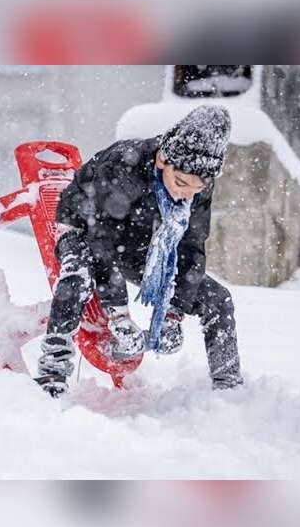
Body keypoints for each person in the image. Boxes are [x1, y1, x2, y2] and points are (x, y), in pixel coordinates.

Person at [33, 105, 242, 397]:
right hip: (85, 226)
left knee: (218, 299)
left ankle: (229, 388)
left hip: (141, 240)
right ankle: (52, 372)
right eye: (180, 182)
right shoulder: (124, 166)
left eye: (195, 189)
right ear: (162, 159)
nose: (185, 194)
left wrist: (174, 312)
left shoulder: (198, 182)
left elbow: (192, 247)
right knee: (77, 276)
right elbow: (101, 241)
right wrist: (118, 315)